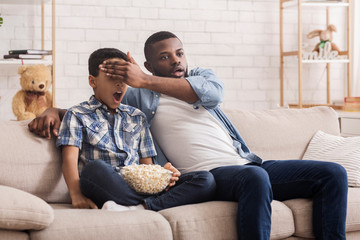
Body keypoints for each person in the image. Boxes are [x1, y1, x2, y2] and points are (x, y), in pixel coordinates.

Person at [29, 31, 348, 240]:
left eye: (179, 53)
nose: (176, 60)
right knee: (254, 179)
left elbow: (212, 93)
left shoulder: (201, 79)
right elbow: (97, 107)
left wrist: (147, 81)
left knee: (332, 173)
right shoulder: (139, 98)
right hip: (210, 174)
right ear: (149, 65)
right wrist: (52, 111)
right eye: (165, 57)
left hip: (247, 162)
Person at [55, 47, 216, 211]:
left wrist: (162, 175)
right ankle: (150, 202)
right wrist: (76, 195)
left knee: (205, 179)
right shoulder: (77, 114)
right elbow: (69, 160)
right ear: (92, 81)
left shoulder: (137, 117)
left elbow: (146, 167)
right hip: (105, 183)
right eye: (112, 78)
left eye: (124, 78)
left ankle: (141, 207)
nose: (119, 83)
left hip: (138, 186)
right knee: (95, 170)